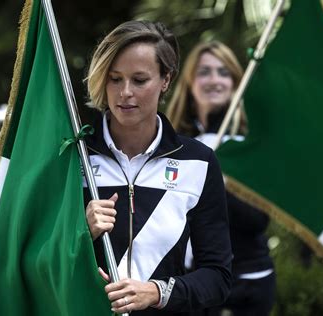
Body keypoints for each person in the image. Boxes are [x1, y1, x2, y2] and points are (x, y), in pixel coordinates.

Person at [83, 21, 232, 315]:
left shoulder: (198, 162)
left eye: (139, 80)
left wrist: (156, 292)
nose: (125, 92)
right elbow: (31, 255)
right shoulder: (74, 155)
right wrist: (79, 232)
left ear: (166, 79)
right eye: (114, 79)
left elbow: (218, 277)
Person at [166, 41, 276, 316]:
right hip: (193, 285)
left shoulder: (249, 144)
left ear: (236, 83)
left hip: (248, 286)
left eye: (223, 72)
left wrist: (218, 182)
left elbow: (257, 220)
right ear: (190, 83)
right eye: (204, 72)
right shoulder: (174, 145)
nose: (214, 80)